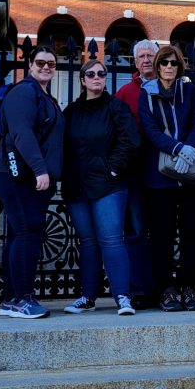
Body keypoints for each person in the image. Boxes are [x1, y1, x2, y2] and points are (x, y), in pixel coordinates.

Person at [61, 59, 140, 315]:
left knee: (112, 240)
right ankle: (87, 297)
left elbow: (130, 141)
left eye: (101, 74)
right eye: (91, 74)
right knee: (88, 242)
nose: (97, 77)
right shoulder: (71, 112)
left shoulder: (115, 107)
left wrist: (112, 167)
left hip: (108, 185)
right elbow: (61, 146)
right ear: (82, 80)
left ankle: (122, 297)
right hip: (77, 186)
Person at [0, 45, 65, 319]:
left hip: (31, 176)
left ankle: (11, 299)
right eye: (41, 62)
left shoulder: (45, 96)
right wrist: (40, 170)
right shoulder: (23, 92)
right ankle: (21, 298)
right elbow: (21, 134)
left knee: (20, 233)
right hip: (19, 175)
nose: (46, 67)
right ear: (30, 64)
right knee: (27, 232)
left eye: (51, 63)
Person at [138, 45, 195, 312]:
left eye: (173, 63)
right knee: (162, 235)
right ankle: (165, 289)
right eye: (164, 62)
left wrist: (189, 147)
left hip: (190, 175)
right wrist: (177, 148)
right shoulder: (147, 94)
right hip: (160, 174)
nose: (168, 67)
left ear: (180, 67)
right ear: (157, 65)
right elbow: (150, 128)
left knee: (192, 233)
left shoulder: (189, 91)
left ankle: (190, 287)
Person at [116, 39, 159, 307]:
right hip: (134, 170)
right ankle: (140, 290)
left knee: (162, 230)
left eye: (150, 55)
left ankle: (162, 287)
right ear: (135, 62)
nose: (146, 60)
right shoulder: (124, 92)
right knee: (135, 231)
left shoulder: (171, 86)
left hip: (163, 167)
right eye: (141, 56)